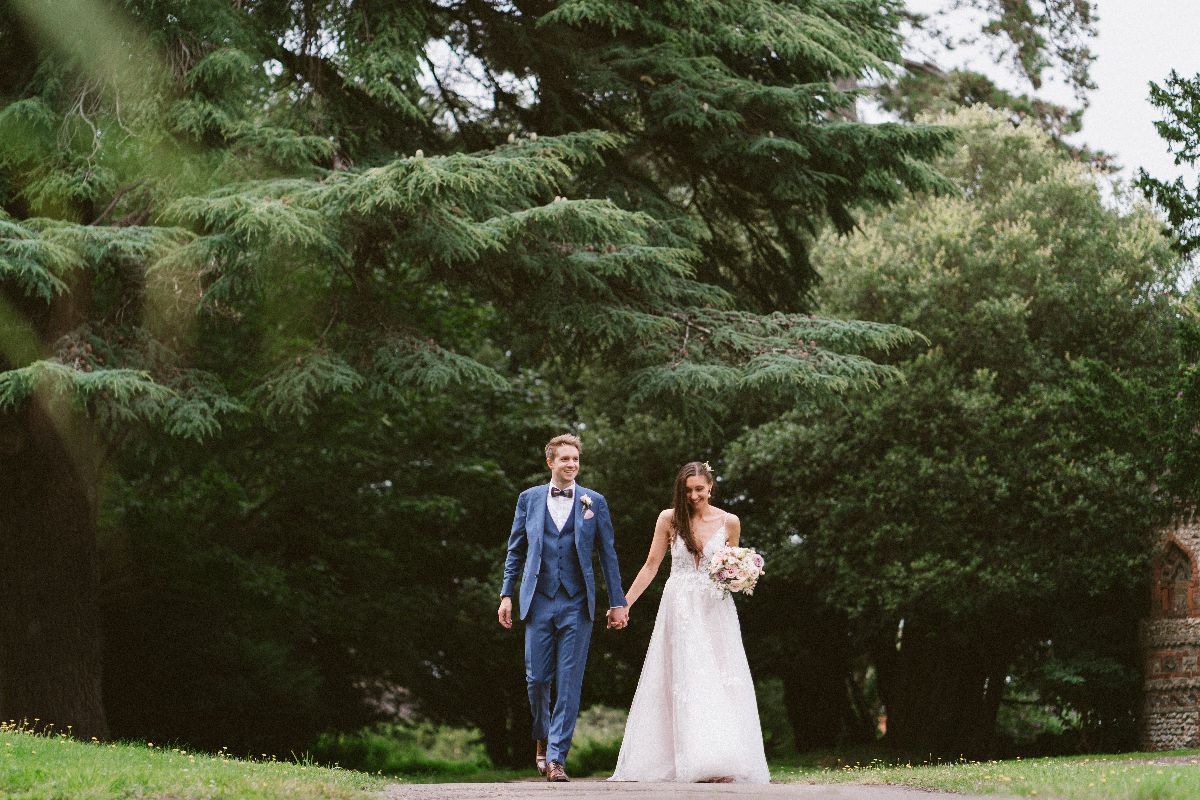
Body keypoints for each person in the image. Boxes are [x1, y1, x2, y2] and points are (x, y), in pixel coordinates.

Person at [609, 461, 770, 783]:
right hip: (680, 606)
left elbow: (731, 565)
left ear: (710, 487)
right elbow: (651, 566)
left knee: (719, 679)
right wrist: (623, 604)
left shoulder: (730, 522)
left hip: (715, 609)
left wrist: (740, 575)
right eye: (687, 491)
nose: (694, 496)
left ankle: (721, 760)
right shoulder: (669, 519)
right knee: (685, 679)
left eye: (699, 489)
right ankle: (685, 760)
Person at [497, 433, 629, 782]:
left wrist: (618, 602)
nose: (571, 464)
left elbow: (608, 554)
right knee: (537, 679)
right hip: (538, 600)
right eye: (564, 459)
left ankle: (556, 758)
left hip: (577, 602)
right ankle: (542, 735)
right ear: (550, 462)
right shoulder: (528, 499)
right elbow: (515, 549)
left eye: (575, 459)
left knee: (569, 681)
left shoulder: (594, 501)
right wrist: (506, 594)